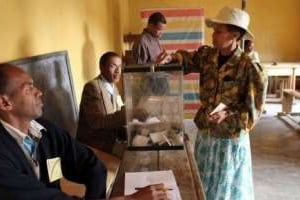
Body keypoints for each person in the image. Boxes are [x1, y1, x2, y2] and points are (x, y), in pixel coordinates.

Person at [0, 63, 168, 200]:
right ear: (5, 102)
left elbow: (92, 165)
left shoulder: (44, 129)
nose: (39, 92)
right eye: (28, 88)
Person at [172, 7, 268, 200]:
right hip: (206, 135)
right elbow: (187, 60)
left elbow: (253, 113)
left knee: (225, 188)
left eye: (218, 31)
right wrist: (172, 57)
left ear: (234, 35)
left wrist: (228, 114)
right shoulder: (208, 56)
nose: (213, 35)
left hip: (229, 140)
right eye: (214, 30)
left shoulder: (249, 66)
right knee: (203, 184)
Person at [77, 52, 126, 155]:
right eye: (113, 66)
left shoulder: (114, 87)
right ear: (101, 67)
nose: (118, 71)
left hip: (111, 140)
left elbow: (116, 115)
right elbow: (96, 122)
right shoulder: (92, 87)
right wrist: (127, 114)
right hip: (96, 144)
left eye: (120, 67)